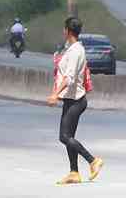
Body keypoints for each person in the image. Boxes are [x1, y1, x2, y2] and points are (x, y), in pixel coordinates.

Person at [46, 17, 104, 185]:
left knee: (64, 137)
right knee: (68, 136)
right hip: (71, 99)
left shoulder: (76, 51)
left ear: (68, 31)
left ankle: (93, 160)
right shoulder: (71, 49)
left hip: (76, 100)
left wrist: (55, 94)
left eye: (64, 29)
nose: (63, 31)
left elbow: (69, 78)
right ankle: (74, 172)